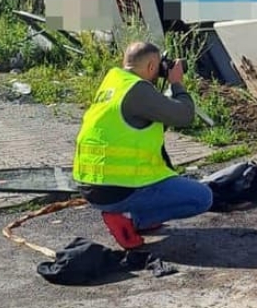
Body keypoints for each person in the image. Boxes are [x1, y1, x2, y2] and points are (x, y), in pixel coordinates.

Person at [72, 41, 214, 249]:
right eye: (158, 67)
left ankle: (134, 217)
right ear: (150, 67)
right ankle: (130, 219)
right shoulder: (138, 90)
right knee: (202, 197)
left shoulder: (114, 83)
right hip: (119, 189)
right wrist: (176, 83)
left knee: (174, 185)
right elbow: (185, 115)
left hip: (91, 187)